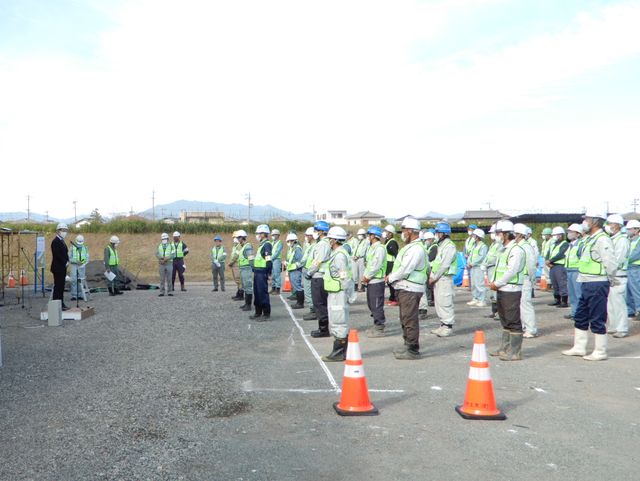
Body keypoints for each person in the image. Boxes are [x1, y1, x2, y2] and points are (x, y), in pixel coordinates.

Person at [562, 209, 618, 361]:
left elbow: (610, 262)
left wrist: (611, 278)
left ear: (595, 221)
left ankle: (600, 351)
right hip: (586, 281)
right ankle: (579, 347)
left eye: (586, 219)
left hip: (597, 282)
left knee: (597, 316)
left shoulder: (602, 239)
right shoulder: (590, 239)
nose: (584, 222)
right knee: (581, 315)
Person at [387, 217, 428, 360]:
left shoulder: (416, 249)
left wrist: (391, 277)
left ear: (410, 231)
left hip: (410, 288)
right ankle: (407, 344)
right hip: (405, 287)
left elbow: (406, 269)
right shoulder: (411, 247)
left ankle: (413, 349)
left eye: (404, 230)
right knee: (405, 318)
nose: (402, 233)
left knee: (409, 319)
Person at [489, 220, 526, 361]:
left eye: (498, 233)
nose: (497, 236)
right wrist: (494, 283)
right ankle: (504, 348)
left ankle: (515, 352)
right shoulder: (503, 249)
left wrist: (497, 283)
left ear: (505, 234)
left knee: (513, 320)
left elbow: (511, 271)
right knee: (505, 319)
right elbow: (499, 268)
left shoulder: (516, 250)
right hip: (502, 288)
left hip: (511, 288)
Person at [321, 226, 354, 362]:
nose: (328, 241)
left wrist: (348, 295)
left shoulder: (339, 256)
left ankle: (339, 352)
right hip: (335, 291)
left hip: (339, 292)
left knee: (339, 320)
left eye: (329, 239)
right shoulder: (337, 253)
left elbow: (344, 276)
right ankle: (340, 351)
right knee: (336, 319)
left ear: (334, 240)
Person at [429, 222, 458, 337]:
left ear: (443, 233)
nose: (436, 234)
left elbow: (444, 265)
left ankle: (448, 326)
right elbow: (437, 263)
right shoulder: (441, 246)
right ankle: (442, 324)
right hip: (438, 278)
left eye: (437, 232)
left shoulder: (449, 246)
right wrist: (433, 275)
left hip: (445, 277)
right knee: (439, 302)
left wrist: (434, 277)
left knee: (445, 302)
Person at [303, 221, 332, 337]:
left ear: (320, 231)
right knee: (320, 303)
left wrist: (309, 272)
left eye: (315, 230)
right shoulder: (323, 243)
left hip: (319, 276)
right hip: (319, 276)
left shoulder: (322, 245)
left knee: (319, 304)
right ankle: (322, 328)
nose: (314, 233)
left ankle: (324, 329)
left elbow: (317, 262)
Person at [605, 214, 630, 338]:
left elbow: (618, 259)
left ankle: (622, 328)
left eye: (610, 223)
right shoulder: (612, 239)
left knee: (619, 303)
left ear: (618, 225)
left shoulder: (622, 240)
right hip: (611, 275)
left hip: (619, 274)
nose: (608, 226)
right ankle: (613, 326)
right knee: (610, 302)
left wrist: (610, 269)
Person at [362, 226, 387, 337]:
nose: (368, 237)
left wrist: (367, 276)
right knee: (371, 304)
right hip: (371, 280)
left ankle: (379, 327)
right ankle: (376, 324)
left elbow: (376, 266)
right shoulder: (372, 247)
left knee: (377, 304)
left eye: (369, 235)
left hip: (376, 280)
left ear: (373, 236)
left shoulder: (380, 248)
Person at [514, 223, 538, 338]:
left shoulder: (526, 247)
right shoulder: (518, 245)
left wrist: (532, 279)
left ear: (519, 234)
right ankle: (524, 326)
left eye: (514, 234)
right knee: (520, 304)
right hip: (519, 279)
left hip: (525, 278)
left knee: (525, 304)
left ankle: (531, 329)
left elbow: (531, 265)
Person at [251, 224, 273, 321]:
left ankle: (266, 313)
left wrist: (268, 273)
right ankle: (258, 312)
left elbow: (268, 260)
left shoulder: (267, 245)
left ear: (264, 234)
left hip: (262, 272)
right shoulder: (262, 245)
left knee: (262, 293)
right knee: (257, 292)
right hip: (257, 272)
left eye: (259, 233)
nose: (257, 235)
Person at [564, 224, 584, 320]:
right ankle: (574, 312)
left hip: (577, 271)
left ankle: (580, 314)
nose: (569, 234)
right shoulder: (570, 245)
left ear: (578, 234)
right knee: (572, 294)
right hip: (569, 271)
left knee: (578, 294)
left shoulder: (580, 244)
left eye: (571, 232)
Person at [546, 226, 569, 307]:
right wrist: (547, 261)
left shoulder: (565, 244)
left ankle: (564, 301)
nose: (554, 237)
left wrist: (550, 260)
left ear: (560, 235)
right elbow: (548, 253)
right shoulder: (553, 244)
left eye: (555, 235)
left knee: (561, 283)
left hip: (560, 266)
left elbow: (561, 254)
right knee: (554, 283)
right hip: (552, 266)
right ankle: (557, 299)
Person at [482, 224, 502, 320]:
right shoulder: (493, 245)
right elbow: (488, 256)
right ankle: (494, 312)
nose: (492, 235)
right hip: (490, 269)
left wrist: (486, 263)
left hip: (494, 268)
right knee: (491, 292)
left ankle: (499, 313)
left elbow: (495, 258)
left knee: (496, 292)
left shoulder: (500, 245)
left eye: (493, 233)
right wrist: (485, 263)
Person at [418, 231, 438, 320]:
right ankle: (422, 308)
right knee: (424, 290)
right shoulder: (425, 247)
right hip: (426, 269)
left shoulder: (434, 247)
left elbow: (430, 258)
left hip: (431, 268)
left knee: (427, 289)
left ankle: (424, 309)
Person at [467, 228, 488, 307]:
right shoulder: (474, 245)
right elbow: (471, 255)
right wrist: (469, 262)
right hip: (472, 267)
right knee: (474, 284)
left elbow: (481, 257)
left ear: (477, 236)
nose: (472, 236)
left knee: (480, 284)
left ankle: (482, 300)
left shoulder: (483, 246)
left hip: (478, 267)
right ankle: (475, 298)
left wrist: (472, 263)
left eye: (474, 235)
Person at [50, 222, 69, 310]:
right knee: (58, 286)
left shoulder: (62, 241)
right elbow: (57, 254)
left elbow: (65, 253)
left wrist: (67, 261)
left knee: (61, 286)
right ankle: (56, 304)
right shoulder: (55, 241)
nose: (65, 232)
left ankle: (61, 303)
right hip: (58, 268)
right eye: (63, 230)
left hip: (62, 267)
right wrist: (65, 261)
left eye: (66, 230)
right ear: (58, 231)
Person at [284, 232, 304, 309]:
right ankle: (298, 302)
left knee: (298, 286)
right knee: (295, 286)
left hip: (296, 270)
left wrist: (295, 266)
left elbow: (300, 261)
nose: (288, 243)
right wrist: (287, 263)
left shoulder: (297, 249)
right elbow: (290, 259)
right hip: (291, 270)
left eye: (289, 241)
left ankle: (300, 303)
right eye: (288, 241)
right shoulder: (292, 249)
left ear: (293, 241)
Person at [235, 230, 254, 311]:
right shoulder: (243, 247)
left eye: (239, 238)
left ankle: (248, 305)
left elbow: (251, 258)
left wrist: (253, 268)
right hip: (243, 269)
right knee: (245, 287)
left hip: (247, 269)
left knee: (248, 286)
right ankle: (246, 303)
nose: (238, 239)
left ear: (242, 238)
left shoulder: (247, 246)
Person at [299, 227, 316, 312]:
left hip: (310, 271)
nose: (306, 237)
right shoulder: (310, 246)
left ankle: (313, 310)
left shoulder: (314, 246)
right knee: (308, 291)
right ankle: (312, 308)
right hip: (307, 269)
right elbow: (305, 258)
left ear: (311, 236)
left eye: (307, 235)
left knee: (309, 291)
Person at [626, 220, 640, 320]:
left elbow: (636, 254)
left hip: (635, 268)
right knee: (628, 291)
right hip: (627, 268)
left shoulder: (639, 240)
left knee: (636, 290)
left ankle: (639, 310)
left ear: (636, 229)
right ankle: (630, 311)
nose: (627, 231)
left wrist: (624, 260)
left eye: (629, 229)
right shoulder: (628, 240)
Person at [383, 224, 400, 306]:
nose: (385, 233)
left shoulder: (392, 242)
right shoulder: (387, 241)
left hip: (391, 264)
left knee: (392, 281)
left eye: (386, 231)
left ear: (390, 233)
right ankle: (392, 298)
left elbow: (396, 254)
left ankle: (396, 299)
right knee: (389, 282)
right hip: (387, 264)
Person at [69, 234, 89, 302]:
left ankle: (80, 295)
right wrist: (76, 261)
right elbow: (69, 257)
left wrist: (83, 263)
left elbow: (87, 257)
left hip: (82, 266)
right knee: (74, 280)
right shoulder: (72, 248)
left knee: (81, 280)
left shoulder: (85, 248)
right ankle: (74, 295)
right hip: (74, 265)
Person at [156, 233, 175, 297]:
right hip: (161, 264)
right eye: (163, 239)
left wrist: (166, 258)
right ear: (161, 239)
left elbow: (173, 255)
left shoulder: (171, 246)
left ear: (167, 239)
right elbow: (157, 253)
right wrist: (161, 259)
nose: (164, 239)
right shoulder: (159, 245)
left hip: (169, 264)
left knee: (169, 278)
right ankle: (162, 292)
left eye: (165, 238)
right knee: (162, 279)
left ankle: (169, 292)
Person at [352, 228, 369, 292]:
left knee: (362, 273)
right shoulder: (359, 241)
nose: (359, 236)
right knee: (355, 273)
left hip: (361, 258)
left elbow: (363, 250)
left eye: (360, 235)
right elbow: (355, 249)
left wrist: (358, 256)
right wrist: (354, 256)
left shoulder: (366, 241)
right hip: (355, 258)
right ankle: (355, 286)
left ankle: (362, 286)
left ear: (363, 235)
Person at [228, 231, 243, 300]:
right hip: (234, 264)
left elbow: (236, 256)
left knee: (238, 279)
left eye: (235, 237)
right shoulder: (235, 246)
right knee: (236, 280)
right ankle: (238, 293)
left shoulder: (239, 246)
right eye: (233, 237)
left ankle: (241, 295)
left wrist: (231, 262)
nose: (234, 238)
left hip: (237, 264)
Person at [270, 229, 283, 294]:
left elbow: (277, 252)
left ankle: (277, 289)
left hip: (276, 260)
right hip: (272, 260)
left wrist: (271, 258)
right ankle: (273, 288)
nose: (273, 236)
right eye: (272, 235)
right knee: (273, 274)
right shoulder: (272, 243)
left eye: (274, 235)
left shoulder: (279, 243)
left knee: (277, 274)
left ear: (278, 235)